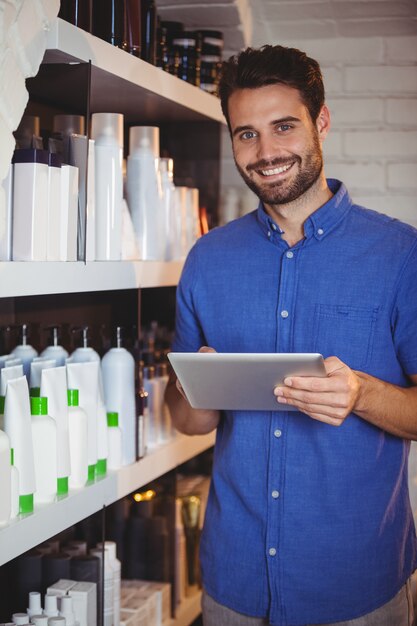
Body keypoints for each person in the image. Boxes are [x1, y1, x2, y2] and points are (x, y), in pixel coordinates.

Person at [165, 44, 417, 626]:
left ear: (321, 121)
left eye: (284, 127)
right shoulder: (208, 259)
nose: (267, 152)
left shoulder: (400, 256)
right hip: (233, 585)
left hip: (358, 587)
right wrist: (196, 385)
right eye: (246, 134)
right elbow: (188, 420)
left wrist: (360, 393)